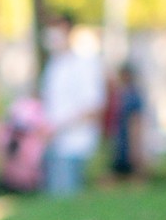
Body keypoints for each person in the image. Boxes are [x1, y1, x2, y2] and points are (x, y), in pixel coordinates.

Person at [39, 13, 104, 196]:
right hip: (54, 145)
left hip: (76, 145)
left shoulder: (84, 64)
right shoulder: (53, 66)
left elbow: (93, 108)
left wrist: (58, 127)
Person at [107, 62, 148, 183]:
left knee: (134, 176)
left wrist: (135, 147)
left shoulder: (133, 96)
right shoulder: (120, 94)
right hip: (120, 141)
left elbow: (136, 121)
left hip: (128, 142)